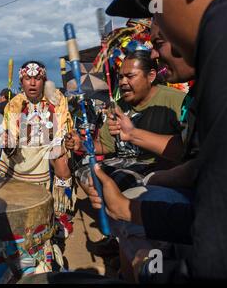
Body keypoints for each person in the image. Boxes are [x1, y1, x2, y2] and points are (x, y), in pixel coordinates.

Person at [89, 0, 227, 282]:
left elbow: (211, 268)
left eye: (153, 6)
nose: (153, 42)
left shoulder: (223, 34)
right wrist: (130, 210)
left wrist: (145, 267)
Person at [66, 50, 186, 192]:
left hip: (160, 168)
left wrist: (134, 134)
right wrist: (82, 145)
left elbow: (188, 148)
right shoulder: (119, 106)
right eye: (120, 77)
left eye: (130, 76)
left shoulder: (176, 100)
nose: (123, 82)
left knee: (119, 180)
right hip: (124, 163)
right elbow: (106, 146)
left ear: (151, 76)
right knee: (86, 172)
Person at [0, 61, 74, 215]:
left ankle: (60, 210)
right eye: (27, 78)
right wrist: (8, 143)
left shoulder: (57, 100)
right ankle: (6, 197)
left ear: (44, 81)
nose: (32, 83)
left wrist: (64, 141)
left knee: (60, 158)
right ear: (22, 82)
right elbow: (11, 137)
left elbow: (64, 131)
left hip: (47, 150)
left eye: (38, 78)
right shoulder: (14, 104)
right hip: (21, 152)